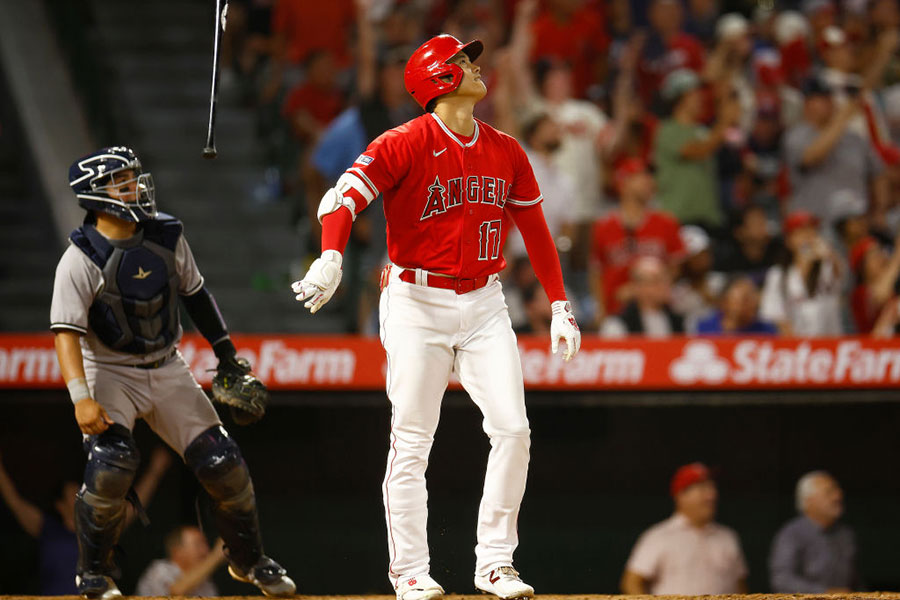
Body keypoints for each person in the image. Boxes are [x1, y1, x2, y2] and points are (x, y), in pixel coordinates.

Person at [291, 35, 581, 600]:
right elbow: (341, 197)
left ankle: (495, 563)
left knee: (514, 431)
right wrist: (331, 256)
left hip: (484, 301)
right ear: (438, 79)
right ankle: (409, 571)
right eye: (462, 61)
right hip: (415, 302)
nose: (474, 66)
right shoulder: (404, 141)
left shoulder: (507, 148)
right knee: (413, 439)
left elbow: (536, 231)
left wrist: (560, 303)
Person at [51, 147, 295, 599]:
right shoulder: (79, 258)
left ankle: (249, 560)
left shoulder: (165, 234)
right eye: (122, 182)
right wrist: (80, 396)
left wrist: (226, 356)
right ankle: (94, 575)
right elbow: (66, 333)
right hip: (108, 368)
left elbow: (197, 295)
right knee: (111, 467)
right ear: (96, 196)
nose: (135, 187)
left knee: (224, 464)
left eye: (133, 177)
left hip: (166, 365)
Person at [0, 447, 170, 594]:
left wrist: (154, 471)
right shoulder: (47, 528)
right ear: (60, 505)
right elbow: (15, 502)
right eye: (74, 496)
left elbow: (131, 508)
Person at [621, 463, 748, 594]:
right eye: (702, 488)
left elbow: (740, 586)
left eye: (712, 487)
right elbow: (631, 582)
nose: (712, 495)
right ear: (681, 495)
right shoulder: (659, 536)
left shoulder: (728, 536)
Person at [783, 76, 888, 225]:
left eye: (830, 97)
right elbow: (812, 157)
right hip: (817, 225)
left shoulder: (854, 138)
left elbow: (879, 173)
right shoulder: (796, 135)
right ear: (807, 103)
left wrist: (879, 211)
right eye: (822, 98)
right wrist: (842, 118)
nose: (830, 103)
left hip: (855, 226)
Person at [590, 158, 684, 319]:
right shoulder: (603, 227)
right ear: (623, 183)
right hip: (616, 312)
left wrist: (644, 289)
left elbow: (676, 268)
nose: (649, 182)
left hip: (657, 311)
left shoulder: (666, 223)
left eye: (649, 177)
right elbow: (595, 273)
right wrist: (601, 309)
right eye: (641, 176)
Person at [653, 68, 740, 230]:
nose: (700, 98)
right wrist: (724, 123)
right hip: (678, 217)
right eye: (694, 94)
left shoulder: (703, 131)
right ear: (679, 99)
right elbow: (698, 151)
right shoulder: (667, 130)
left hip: (707, 217)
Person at [769, 471, 860, 592]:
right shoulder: (792, 534)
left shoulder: (845, 534)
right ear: (809, 501)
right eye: (829, 492)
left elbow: (854, 580)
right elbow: (781, 580)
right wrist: (825, 593)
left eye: (837, 491)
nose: (838, 496)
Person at [760, 211, 843, 336]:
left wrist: (829, 254)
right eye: (801, 232)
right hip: (796, 348)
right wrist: (800, 347)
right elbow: (775, 315)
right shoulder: (778, 274)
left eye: (812, 231)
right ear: (789, 240)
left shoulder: (827, 267)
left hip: (830, 346)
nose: (808, 237)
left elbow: (842, 274)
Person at [600, 256, 684, 338]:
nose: (665, 285)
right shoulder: (617, 324)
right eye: (657, 280)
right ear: (638, 286)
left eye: (666, 279)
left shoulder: (678, 321)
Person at [136, 526, 225, 596]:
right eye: (198, 544)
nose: (205, 550)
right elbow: (176, 592)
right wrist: (216, 555)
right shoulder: (160, 569)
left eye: (205, 544)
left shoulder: (205, 582)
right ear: (177, 552)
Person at [696, 276, 778, 335]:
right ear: (725, 302)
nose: (752, 304)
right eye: (745, 300)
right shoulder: (703, 329)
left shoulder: (767, 331)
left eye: (754, 299)